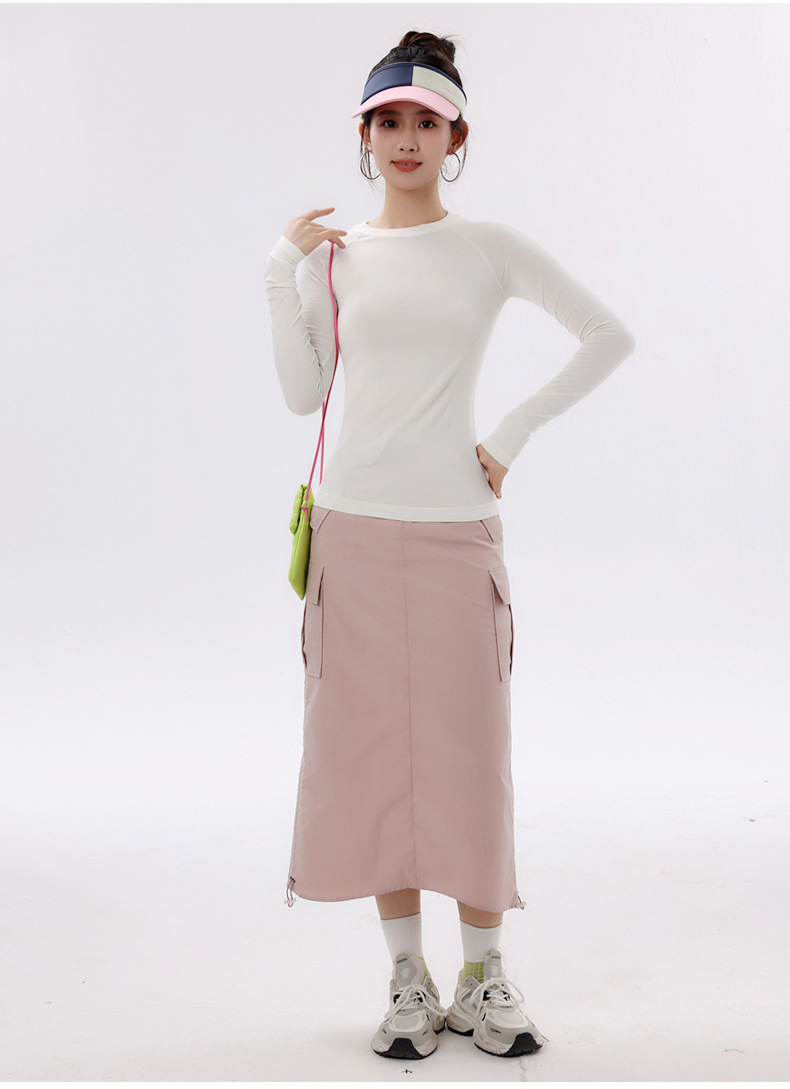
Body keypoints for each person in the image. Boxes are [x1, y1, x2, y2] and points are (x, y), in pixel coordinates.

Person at [264, 29, 636, 1062]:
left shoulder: (489, 247)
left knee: (470, 759)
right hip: (350, 530)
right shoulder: (334, 260)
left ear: (455, 136)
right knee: (369, 755)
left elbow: (608, 334)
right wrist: (280, 270)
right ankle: (407, 976)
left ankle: (483, 973)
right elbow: (302, 392)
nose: (405, 138)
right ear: (364, 136)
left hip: (455, 532)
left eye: (424, 122)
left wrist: (507, 437)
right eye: (386, 121)